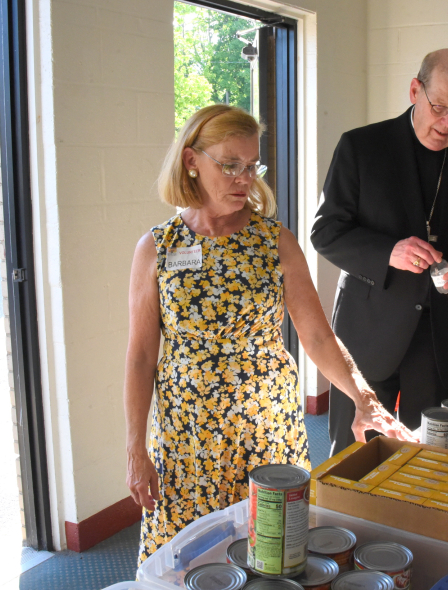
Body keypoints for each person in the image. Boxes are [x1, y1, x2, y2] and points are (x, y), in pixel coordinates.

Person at [124, 105, 414, 563]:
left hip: (266, 426)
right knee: (187, 559)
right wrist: (135, 449)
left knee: (274, 548)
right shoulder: (158, 248)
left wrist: (364, 400)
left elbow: (317, 336)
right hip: (188, 434)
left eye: (251, 165)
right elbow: (141, 357)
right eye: (230, 165)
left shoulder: (273, 241)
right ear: (191, 161)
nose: (244, 179)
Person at [311, 49, 448, 455]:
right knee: (355, 452)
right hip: (369, 328)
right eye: (439, 107)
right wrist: (388, 251)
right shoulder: (361, 147)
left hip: (443, 334)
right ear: (414, 91)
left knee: (431, 456)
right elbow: (326, 232)